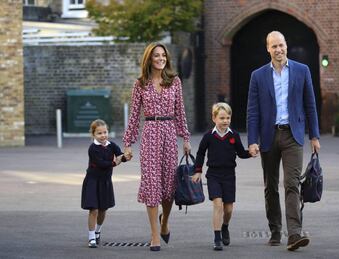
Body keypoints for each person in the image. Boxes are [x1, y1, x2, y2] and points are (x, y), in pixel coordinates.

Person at [246, 31, 321, 251]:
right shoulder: (257, 76)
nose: (278, 50)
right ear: (267, 49)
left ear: (286, 46)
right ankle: (276, 230)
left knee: (292, 183)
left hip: (293, 135)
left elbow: (310, 104)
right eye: (274, 46)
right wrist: (252, 140)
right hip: (268, 136)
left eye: (281, 45)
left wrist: (314, 135)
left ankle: (294, 234)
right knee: (271, 187)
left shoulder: (302, 70)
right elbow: (252, 112)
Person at [123, 42, 191, 252]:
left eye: (163, 55)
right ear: (149, 59)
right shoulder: (140, 84)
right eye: (156, 56)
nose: (160, 58)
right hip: (150, 133)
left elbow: (180, 112)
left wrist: (185, 138)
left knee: (169, 187)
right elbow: (134, 116)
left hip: (170, 133)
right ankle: (154, 235)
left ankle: (164, 223)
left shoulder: (175, 81)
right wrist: (128, 143)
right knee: (152, 185)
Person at [192, 102, 251, 251]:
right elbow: (200, 153)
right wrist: (198, 170)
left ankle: (225, 226)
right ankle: (217, 237)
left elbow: (241, 153)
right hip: (213, 175)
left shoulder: (234, 135)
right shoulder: (208, 136)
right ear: (214, 118)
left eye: (228, 118)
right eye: (222, 118)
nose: (225, 121)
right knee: (217, 204)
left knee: (229, 209)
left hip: (229, 175)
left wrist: (251, 153)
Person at [81, 119, 128, 248]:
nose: (103, 135)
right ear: (93, 135)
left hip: (105, 181)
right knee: (93, 209)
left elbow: (120, 155)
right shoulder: (93, 148)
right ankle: (91, 237)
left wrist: (125, 157)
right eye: (99, 133)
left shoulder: (111, 145)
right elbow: (101, 164)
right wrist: (115, 163)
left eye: (105, 132)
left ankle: (98, 231)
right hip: (92, 181)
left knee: (103, 209)